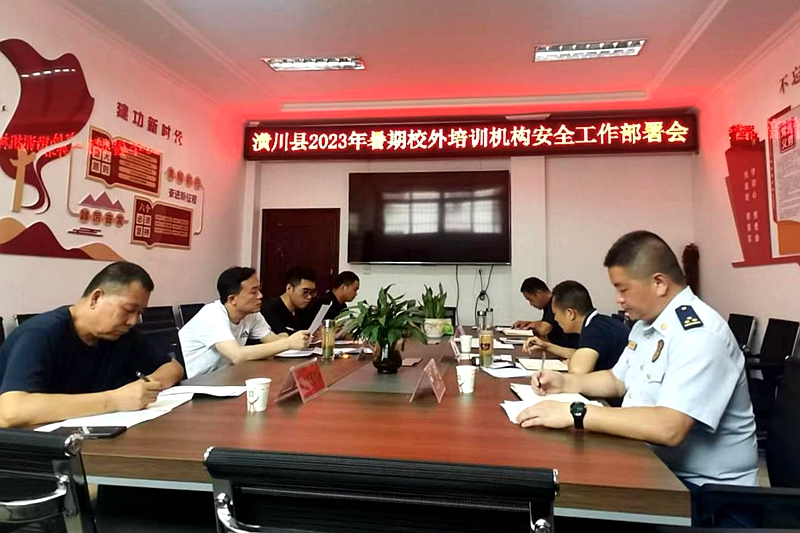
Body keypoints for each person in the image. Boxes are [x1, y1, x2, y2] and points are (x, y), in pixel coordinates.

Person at [517, 231, 758, 493]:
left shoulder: (699, 334)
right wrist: (565, 382)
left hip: (700, 489)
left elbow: (669, 427)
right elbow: (617, 380)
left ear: (659, 283)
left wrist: (576, 413)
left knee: (564, 493)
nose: (618, 299)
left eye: (623, 289)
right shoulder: (645, 326)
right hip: (649, 462)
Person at [0, 262, 184, 428]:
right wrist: (115, 400)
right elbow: (11, 412)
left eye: (139, 313)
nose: (133, 321)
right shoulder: (41, 334)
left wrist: (145, 387)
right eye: (128, 310)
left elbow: (173, 368)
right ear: (96, 298)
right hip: (31, 445)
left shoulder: (120, 334)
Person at [179, 267, 310, 378]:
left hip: (222, 378)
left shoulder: (252, 315)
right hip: (192, 383)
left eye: (259, 290)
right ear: (232, 299)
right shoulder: (212, 315)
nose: (260, 296)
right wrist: (288, 343)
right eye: (253, 291)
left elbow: (274, 342)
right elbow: (237, 355)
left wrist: (302, 339)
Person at [522, 280, 629, 374]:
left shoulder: (594, 331)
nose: (555, 319)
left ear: (570, 313)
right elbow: (578, 353)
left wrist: (571, 363)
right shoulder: (598, 322)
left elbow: (577, 373)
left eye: (555, 314)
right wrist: (546, 346)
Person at [511, 277, 579, 348]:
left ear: (538, 293)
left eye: (530, 300)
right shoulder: (549, 304)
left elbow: (544, 329)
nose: (531, 304)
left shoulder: (554, 303)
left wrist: (530, 326)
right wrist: (528, 323)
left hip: (568, 347)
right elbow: (550, 322)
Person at [261, 266, 317, 334]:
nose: (309, 297)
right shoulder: (269, 310)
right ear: (289, 288)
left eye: (312, 293)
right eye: (305, 292)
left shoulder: (301, 313)